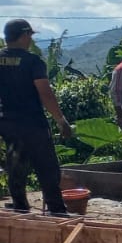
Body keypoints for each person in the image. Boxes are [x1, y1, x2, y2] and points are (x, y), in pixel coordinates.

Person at [0, 18, 73, 215]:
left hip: (7, 122)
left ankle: (20, 205)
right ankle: (56, 209)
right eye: (30, 35)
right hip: (33, 123)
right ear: (24, 35)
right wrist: (61, 120)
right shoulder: (32, 61)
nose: (30, 40)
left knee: (15, 163)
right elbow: (45, 93)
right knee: (46, 166)